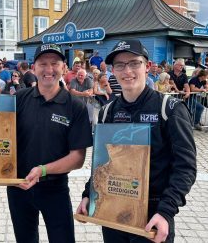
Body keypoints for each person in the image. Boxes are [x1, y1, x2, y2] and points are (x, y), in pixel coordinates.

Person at [76, 39, 196, 243]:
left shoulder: (170, 109)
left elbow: (186, 167)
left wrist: (166, 212)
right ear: (113, 71)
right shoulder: (107, 112)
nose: (127, 71)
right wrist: (89, 194)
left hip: (152, 216)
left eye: (134, 63)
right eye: (120, 65)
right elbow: (102, 163)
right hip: (113, 210)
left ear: (147, 67)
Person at [7, 43, 92, 243]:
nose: (48, 69)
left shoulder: (75, 107)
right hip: (18, 186)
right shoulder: (18, 99)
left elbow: (78, 158)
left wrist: (43, 170)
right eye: (43, 63)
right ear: (33, 67)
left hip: (55, 188)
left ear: (64, 67)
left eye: (54, 63)